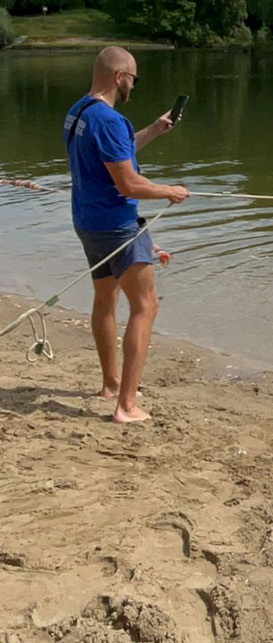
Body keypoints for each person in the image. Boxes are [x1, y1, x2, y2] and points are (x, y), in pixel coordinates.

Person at [64, 46, 190, 424]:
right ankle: (127, 406)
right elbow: (130, 184)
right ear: (120, 77)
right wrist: (170, 191)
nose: (133, 85)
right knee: (146, 306)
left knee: (106, 298)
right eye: (133, 78)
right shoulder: (110, 119)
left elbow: (113, 155)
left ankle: (111, 384)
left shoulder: (79, 112)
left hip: (87, 221)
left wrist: (153, 130)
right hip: (116, 225)